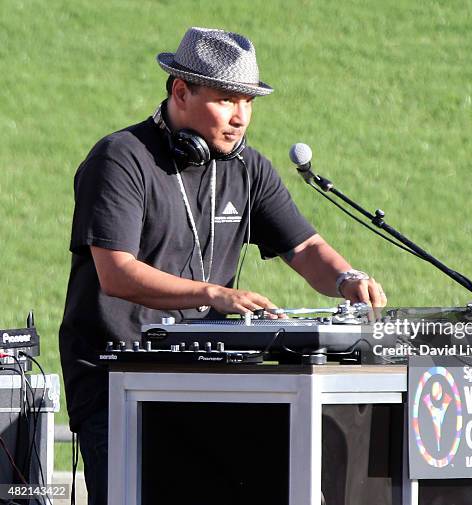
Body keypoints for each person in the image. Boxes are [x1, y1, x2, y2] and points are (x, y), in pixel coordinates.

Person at [59, 27, 386, 504]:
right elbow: (116, 272)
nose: (240, 117)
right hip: (117, 383)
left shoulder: (248, 167)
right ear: (180, 91)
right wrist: (212, 293)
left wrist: (347, 278)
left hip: (211, 379)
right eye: (227, 100)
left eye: (249, 103)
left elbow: (305, 248)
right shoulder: (121, 159)